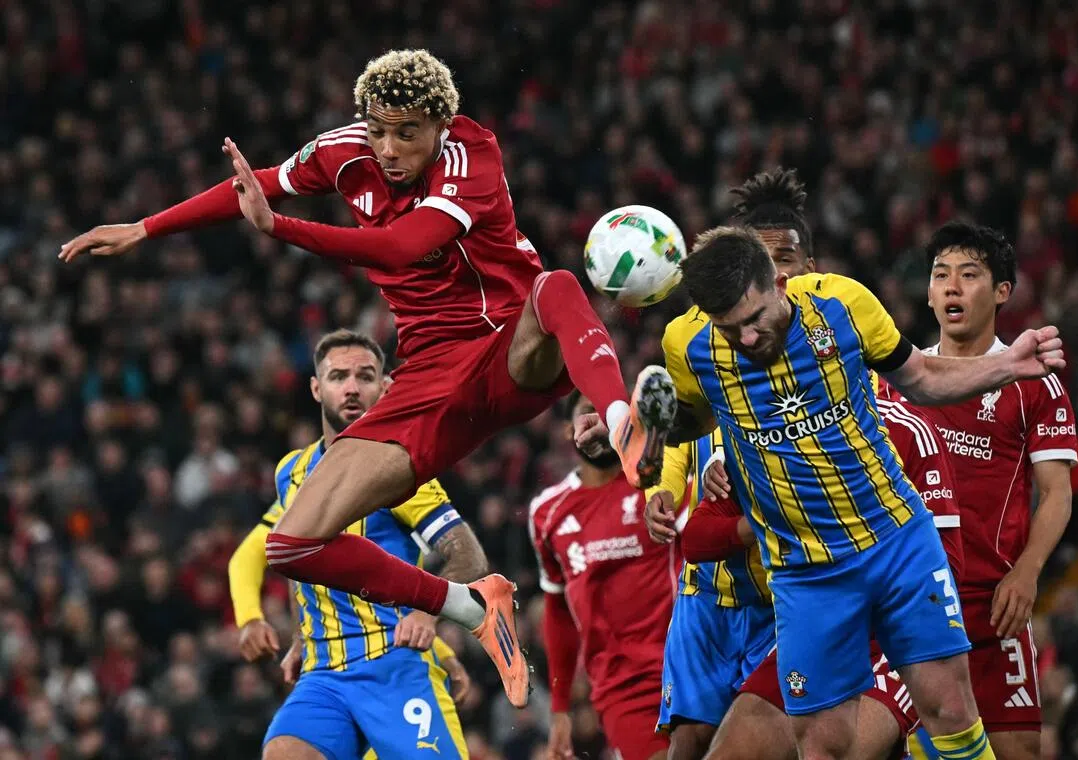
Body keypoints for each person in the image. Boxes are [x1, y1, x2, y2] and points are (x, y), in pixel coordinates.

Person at [59, 49, 678, 707]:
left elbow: (401, 246)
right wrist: (146, 227)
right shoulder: (344, 152)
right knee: (293, 544)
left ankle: (620, 420)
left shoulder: (472, 154)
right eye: (378, 127)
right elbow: (256, 184)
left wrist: (281, 232)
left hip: (509, 344)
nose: (388, 146)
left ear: (441, 124)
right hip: (427, 374)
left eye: (407, 132)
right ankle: (474, 606)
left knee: (555, 285)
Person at [654, 224, 1065, 760]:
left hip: (895, 542)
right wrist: (647, 430)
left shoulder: (843, 305)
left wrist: (1006, 367)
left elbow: (920, 377)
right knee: (822, 744)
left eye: (755, 320)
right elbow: (695, 418)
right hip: (807, 573)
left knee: (950, 707)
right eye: (732, 330)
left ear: (779, 284)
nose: (748, 340)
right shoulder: (687, 346)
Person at [228, 330, 483, 759]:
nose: (351, 387)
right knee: (284, 752)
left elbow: (469, 555)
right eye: (338, 376)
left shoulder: (401, 469)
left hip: (393, 668)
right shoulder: (292, 471)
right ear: (316, 388)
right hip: (325, 676)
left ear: (384, 388)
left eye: (365, 377)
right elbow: (292, 560)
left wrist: (428, 614)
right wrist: (302, 640)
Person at [678, 387, 964, 760]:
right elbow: (696, 541)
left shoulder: (908, 429)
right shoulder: (764, 434)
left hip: (890, 635)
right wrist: (761, 521)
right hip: (812, 626)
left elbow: (949, 564)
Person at [882, 222, 1076, 760]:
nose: (951, 287)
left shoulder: (1033, 379)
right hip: (909, 599)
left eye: (969, 275)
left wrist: (1028, 570)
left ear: (1002, 291)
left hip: (994, 605)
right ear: (927, 291)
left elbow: (1057, 492)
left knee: (1017, 752)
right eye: (940, 275)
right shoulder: (893, 378)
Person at [644, 169, 807, 760]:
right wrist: (662, 488)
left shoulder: (830, 329)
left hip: (788, 581)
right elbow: (686, 426)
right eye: (759, 258)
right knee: (688, 741)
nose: (774, 271)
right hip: (708, 587)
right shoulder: (693, 336)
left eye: (784, 259)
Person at [530, 390, 676, 760]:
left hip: (691, 661)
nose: (597, 425)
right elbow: (557, 611)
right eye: (585, 414)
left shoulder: (662, 482)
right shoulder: (547, 512)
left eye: (608, 414)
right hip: (624, 687)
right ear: (567, 431)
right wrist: (560, 709)